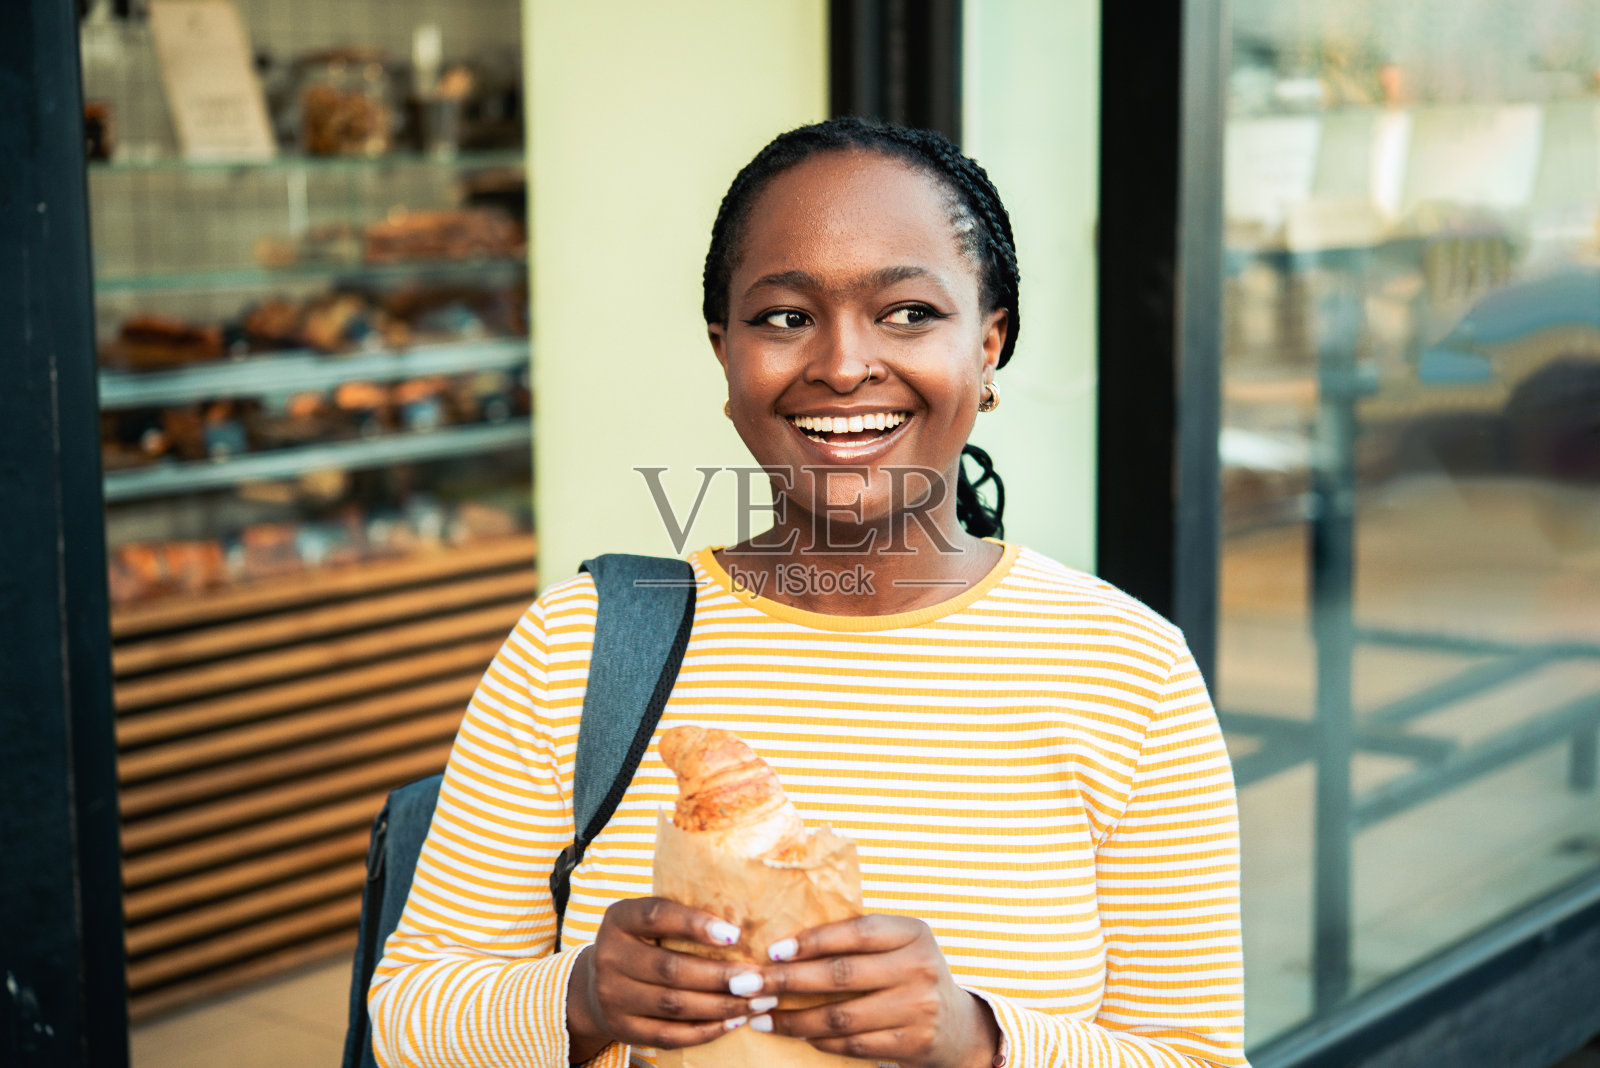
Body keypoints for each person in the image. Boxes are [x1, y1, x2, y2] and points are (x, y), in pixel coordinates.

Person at [368, 118, 1246, 1068]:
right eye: (785, 317)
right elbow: (411, 1011)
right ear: (726, 355)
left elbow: (1194, 1056)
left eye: (908, 312)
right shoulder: (576, 645)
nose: (840, 363)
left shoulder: (1129, 671)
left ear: (989, 346)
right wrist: (582, 999)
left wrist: (977, 1041)